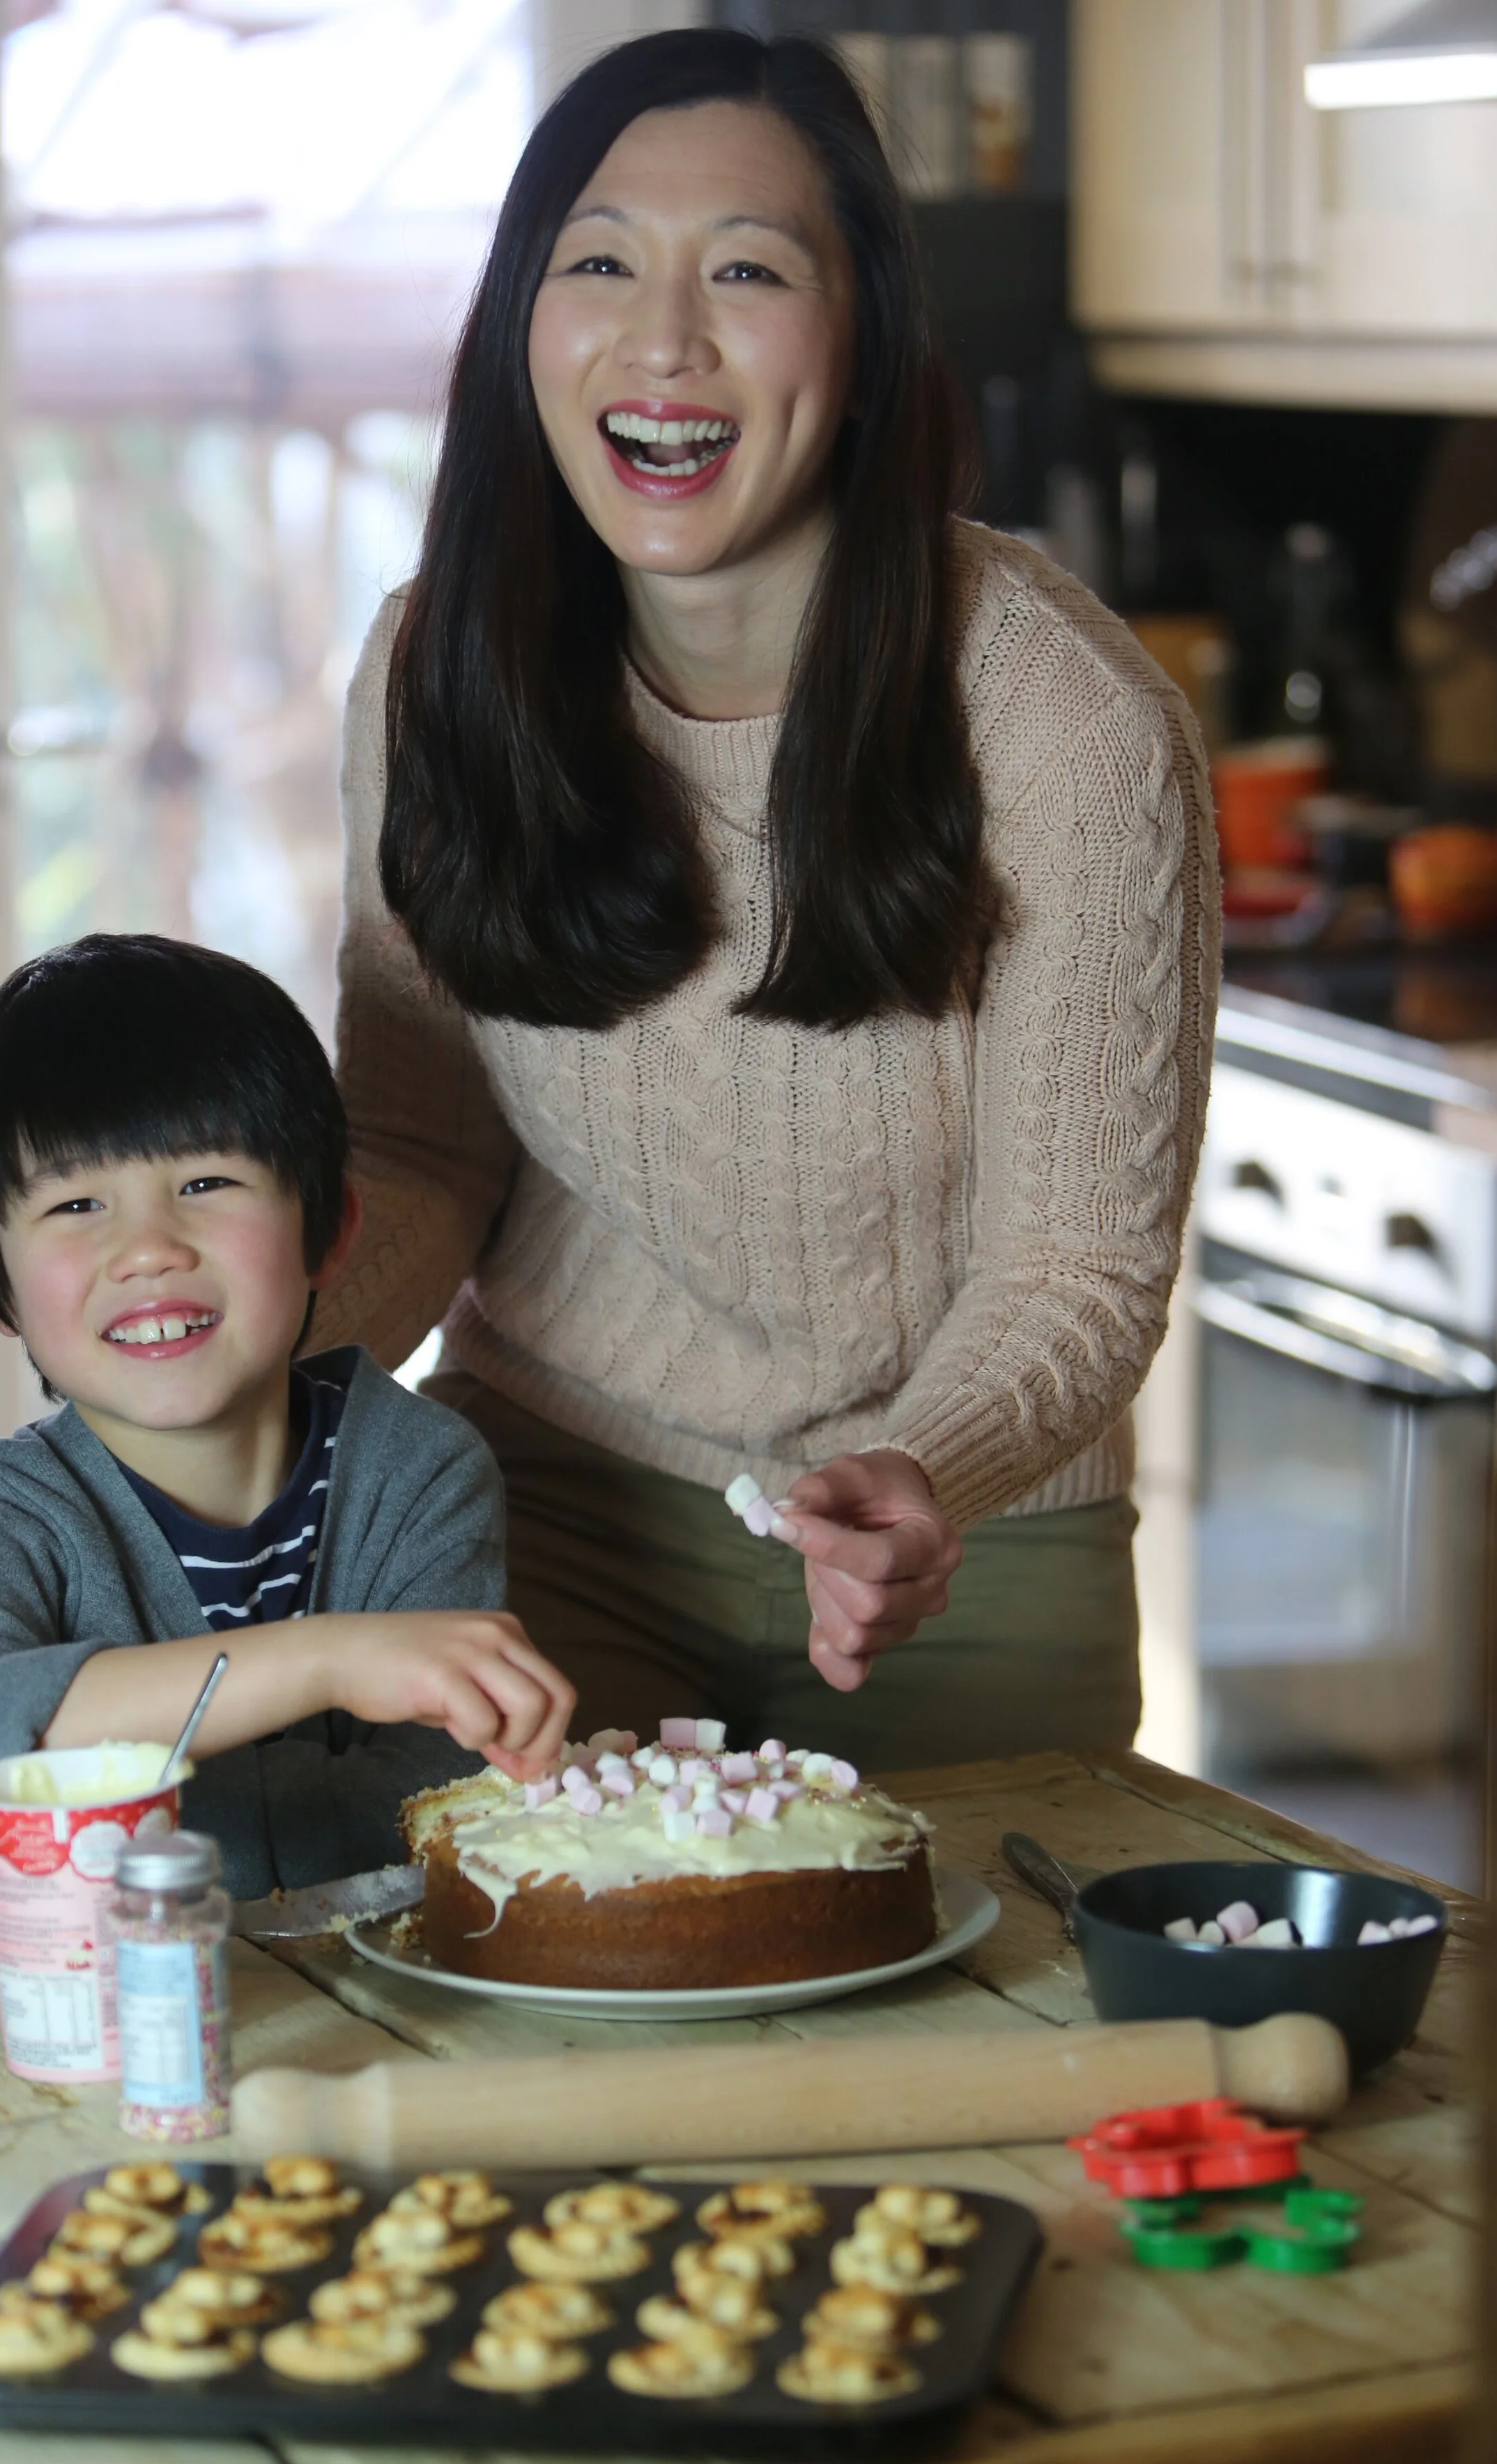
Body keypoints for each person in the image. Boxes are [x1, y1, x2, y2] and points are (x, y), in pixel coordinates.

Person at [317, 29, 1218, 1770]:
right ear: (521, 326)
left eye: (746, 271)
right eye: (597, 264)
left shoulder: (1061, 722)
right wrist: (249, 1365)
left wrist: (920, 1471)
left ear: (865, 343)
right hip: (547, 1508)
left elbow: (1075, 1263)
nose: (662, 341)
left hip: (956, 1556)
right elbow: (420, 1146)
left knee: (990, 1960)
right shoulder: (440, 674)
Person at [0, 935, 571, 1905]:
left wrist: (64, 1837)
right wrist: (326, 1660)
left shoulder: (421, 1469)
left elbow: (433, 1818)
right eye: (77, 1203)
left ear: (329, 1231)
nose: (148, 1248)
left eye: (205, 1184)